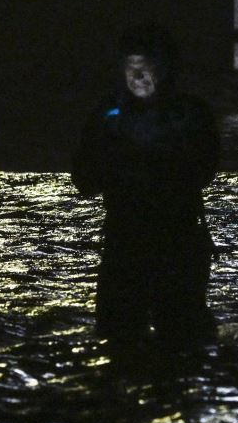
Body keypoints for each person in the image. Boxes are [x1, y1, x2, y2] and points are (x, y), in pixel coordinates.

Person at [73, 23, 219, 344]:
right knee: (117, 336)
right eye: (130, 68)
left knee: (183, 337)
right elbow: (83, 179)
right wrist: (116, 155)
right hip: (125, 241)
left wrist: (162, 153)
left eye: (147, 68)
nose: (138, 77)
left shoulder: (190, 115)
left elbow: (205, 170)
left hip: (177, 239)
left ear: (166, 69)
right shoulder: (107, 116)